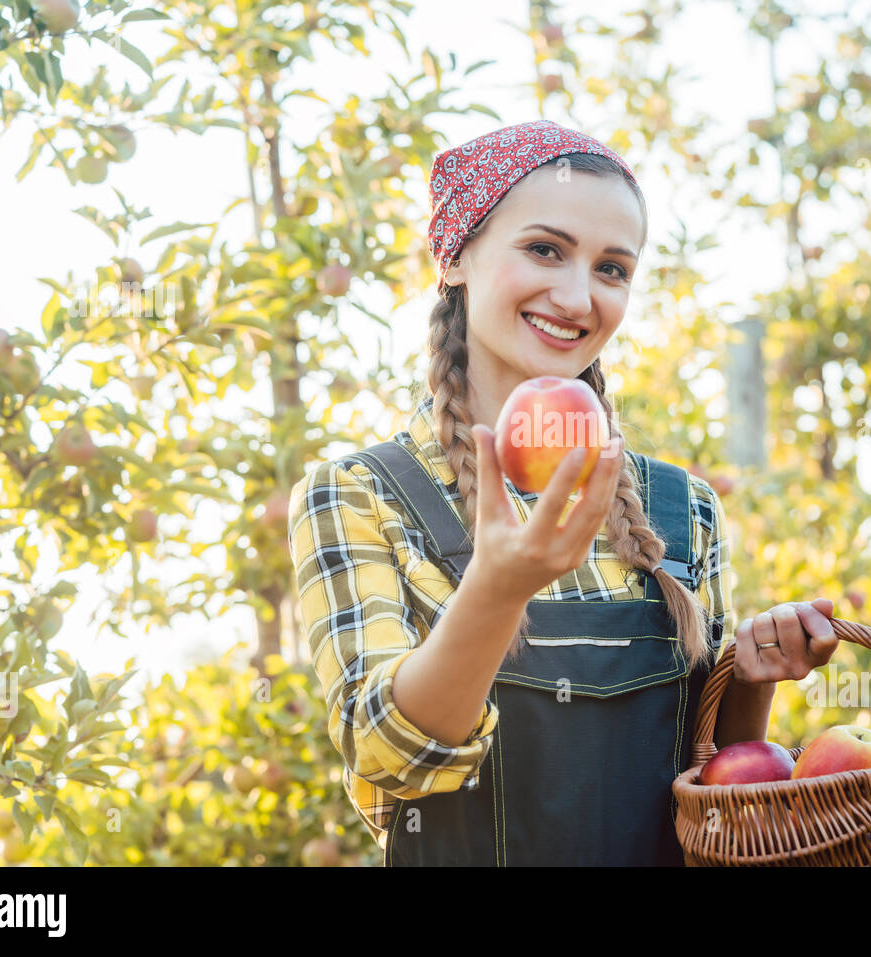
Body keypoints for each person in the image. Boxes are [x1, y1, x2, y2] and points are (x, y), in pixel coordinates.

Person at [288, 119, 838, 866]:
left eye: (613, 269)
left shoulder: (684, 508)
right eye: (544, 249)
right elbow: (388, 757)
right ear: (454, 258)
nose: (578, 296)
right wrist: (495, 587)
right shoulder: (362, 496)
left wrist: (749, 674)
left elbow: (715, 782)